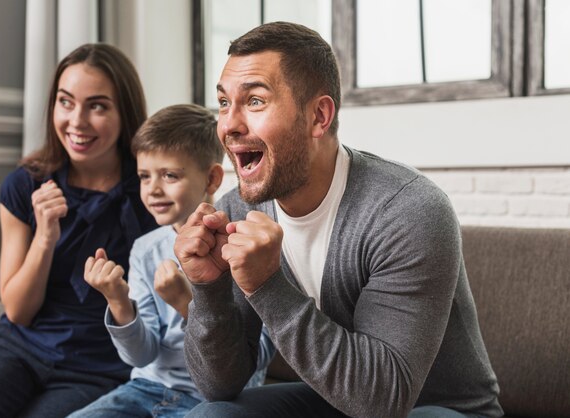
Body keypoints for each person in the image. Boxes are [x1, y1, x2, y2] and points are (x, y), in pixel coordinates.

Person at [173, 21, 504, 418]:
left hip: (434, 407)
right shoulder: (240, 210)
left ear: (319, 116)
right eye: (225, 103)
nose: (228, 125)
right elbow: (217, 386)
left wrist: (267, 286)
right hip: (334, 400)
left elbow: (383, 399)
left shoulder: (407, 210)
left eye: (256, 101)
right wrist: (207, 290)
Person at [0, 43, 158, 418]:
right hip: (18, 350)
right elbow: (17, 311)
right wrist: (44, 237)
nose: (77, 121)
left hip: (98, 368)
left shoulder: (151, 193)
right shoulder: (24, 186)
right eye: (66, 101)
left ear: (124, 112)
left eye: (97, 105)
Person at [67, 104, 274, 418]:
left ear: (211, 179)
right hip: (144, 390)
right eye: (144, 176)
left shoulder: (244, 245)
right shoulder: (145, 250)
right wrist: (119, 300)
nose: (154, 189)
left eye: (170, 175)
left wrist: (188, 302)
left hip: (215, 402)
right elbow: (141, 355)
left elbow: (255, 359)